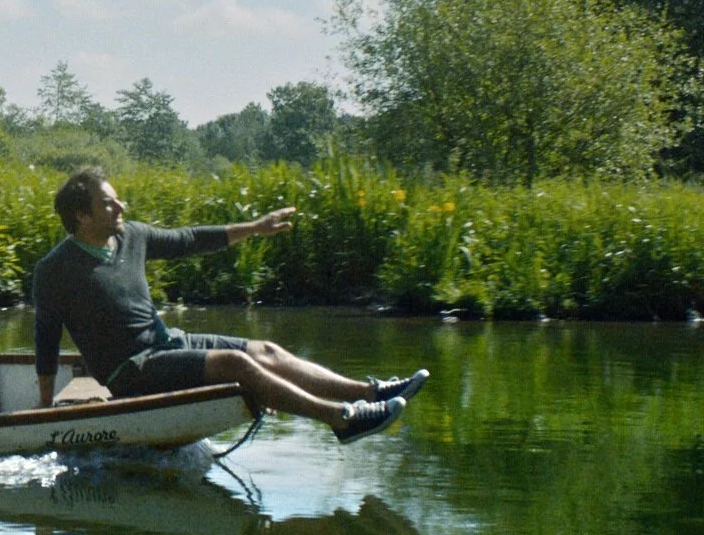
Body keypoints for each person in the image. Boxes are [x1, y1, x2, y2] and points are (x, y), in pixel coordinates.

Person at [32, 168, 426, 443]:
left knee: (265, 351)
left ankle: (369, 393)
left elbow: (189, 239)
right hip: (130, 371)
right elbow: (46, 337)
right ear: (82, 216)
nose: (121, 207)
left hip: (168, 344)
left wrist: (254, 228)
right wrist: (45, 404)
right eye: (109, 203)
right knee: (236, 365)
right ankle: (341, 419)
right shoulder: (55, 270)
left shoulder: (131, 237)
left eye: (118, 199)